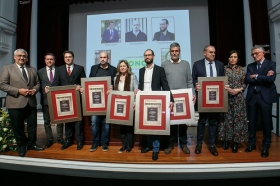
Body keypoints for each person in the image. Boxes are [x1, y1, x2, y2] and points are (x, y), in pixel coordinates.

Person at [0, 48, 44, 157]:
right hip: (15, 103)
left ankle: (32, 143)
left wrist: (34, 90)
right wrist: (18, 91)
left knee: (32, 126)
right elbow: (2, 85)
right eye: (19, 56)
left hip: (31, 102)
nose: (22, 58)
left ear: (27, 58)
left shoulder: (32, 69)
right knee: (18, 126)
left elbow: (38, 83)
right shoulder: (7, 68)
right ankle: (21, 146)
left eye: (24, 56)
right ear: (14, 57)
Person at [137, 49, 173, 161]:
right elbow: (141, 85)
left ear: (153, 56)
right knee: (147, 124)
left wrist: (171, 99)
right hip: (144, 102)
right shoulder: (141, 70)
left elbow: (165, 85)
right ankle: (149, 145)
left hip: (157, 101)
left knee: (155, 125)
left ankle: (156, 149)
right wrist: (138, 91)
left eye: (149, 55)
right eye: (145, 55)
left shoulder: (160, 70)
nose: (147, 57)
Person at [161, 42, 195, 155]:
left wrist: (193, 94)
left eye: (176, 51)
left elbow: (189, 81)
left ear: (179, 52)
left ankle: (183, 144)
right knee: (170, 123)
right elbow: (163, 82)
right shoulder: (164, 64)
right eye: (172, 51)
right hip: (170, 98)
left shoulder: (186, 64)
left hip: (183, 98)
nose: (174, 53)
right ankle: (170, 145)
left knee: (183, 123)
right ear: (170, 52)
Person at [245, 45, 277, 158]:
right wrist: (263, 76)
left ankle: (265, 146)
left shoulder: (271, 64)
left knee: (266, 122)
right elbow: (247, 79)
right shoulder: (250, 66)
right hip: (252, 96)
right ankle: (251, 144)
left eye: (256, 53)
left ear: (263, 53)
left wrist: (257, 76)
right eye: (253, 54)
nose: (254, 56)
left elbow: (271, 80)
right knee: (252, 122)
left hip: (265, 96)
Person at [192, 45, 224, 156]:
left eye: (214, 52)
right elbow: (194, 78)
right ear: (204, 53)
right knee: (202, 121)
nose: (213, 54)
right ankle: (199, 144)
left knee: (214, 121)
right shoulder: (197, 64)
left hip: (216, 99)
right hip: (203, 98)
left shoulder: (220, 65)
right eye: (210, 52)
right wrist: (196, 85)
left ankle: (211, 144)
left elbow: (222, 80)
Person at [51, 50, 86, 150]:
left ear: (73, 58)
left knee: (78, 122)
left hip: (77, 99)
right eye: (66, 57)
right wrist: (49, 88)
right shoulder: (59, 69)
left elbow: (84, 82)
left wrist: (80, 86)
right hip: (64, 100)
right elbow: (56, 82)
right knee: (68, 121)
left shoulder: (80, 68)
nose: (68, 58)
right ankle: (68, 140)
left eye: (70, 57)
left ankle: (80, 141)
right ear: (64, 58)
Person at [218, 50, 248, 153]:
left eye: (235, 57)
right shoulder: (223, 69)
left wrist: (238, 90)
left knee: (237, 120)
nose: (233, 59)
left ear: (238, 58)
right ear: (228, 58)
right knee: (226, 120)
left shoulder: (241, 70)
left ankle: (235, 142)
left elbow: (245, 84)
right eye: (231, 57)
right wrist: (225, 88)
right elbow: (218, 82)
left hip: (238, 98)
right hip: (225, 97)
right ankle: (226, 140)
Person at [89, 51, 117, 152]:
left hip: (108, 101)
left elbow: (116, 84)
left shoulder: (113, 69)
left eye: (104, 57)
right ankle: (95, 142)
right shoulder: (93, 68)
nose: (102, 59)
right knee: (94, 122)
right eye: (101, 57)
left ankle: (104, 143)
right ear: (99, 58)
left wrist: (112, 87)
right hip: (95, 101)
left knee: (106, 123)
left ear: (108, 58)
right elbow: (89, 82)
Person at [37, 53, 64, 148]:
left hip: (58, 100)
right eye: (47, 59)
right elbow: (37, 86)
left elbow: (63, 84)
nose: (49, 61)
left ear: (54, 60)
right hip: (45, 100)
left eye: (51, 59)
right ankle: (49, 139)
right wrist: (43, 90)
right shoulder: (40, 72)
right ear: (45, 60)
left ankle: (60, 137)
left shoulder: (60, 70)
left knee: (60, 120)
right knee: (46, 121)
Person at [112, 60, 138, 153]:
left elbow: (136, 90)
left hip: (130, 104)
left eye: (124, 66)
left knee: (129, 126)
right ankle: (124, 144)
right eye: (121, 66)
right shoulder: (116, 78)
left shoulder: (132, 76)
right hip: (119, 105)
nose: (122, 67)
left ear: (128, 67)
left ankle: (129, 145)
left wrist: (135, 102)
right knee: (122, 126)